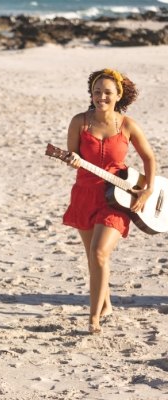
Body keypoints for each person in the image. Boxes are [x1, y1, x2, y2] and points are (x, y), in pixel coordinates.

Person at [63, 68, 155, 335]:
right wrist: (71, 159)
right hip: (85, 194)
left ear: (118, 95)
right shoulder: (79, 122)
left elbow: (149, 158)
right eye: (96, 91)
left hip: (117, 198)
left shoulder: (127, 125)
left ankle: (93, 318)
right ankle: (106, 304)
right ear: (90, 94)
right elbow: (72, 155)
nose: (101, 96)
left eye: (107, 92)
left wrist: (147, 190)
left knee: (100, 252)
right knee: (93, 258)